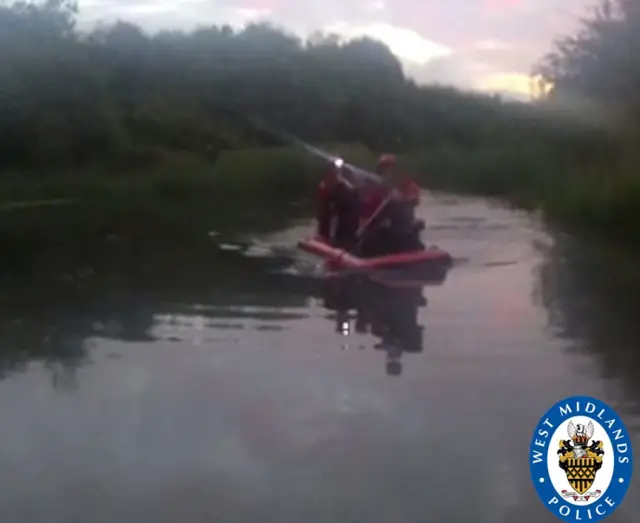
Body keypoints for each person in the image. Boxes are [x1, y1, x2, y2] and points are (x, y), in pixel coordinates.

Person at [359, 154, 423, 255]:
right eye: (385, 169)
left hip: (402, 227)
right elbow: (367, 209)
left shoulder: (406, 185)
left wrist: (400, 198)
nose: (388, 172)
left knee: (413, 229)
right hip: (381, 227)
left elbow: (414, 199)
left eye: (390, 168)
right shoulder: (375, 187)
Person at [316, 159, 361, 249]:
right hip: (330, 212)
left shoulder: (343, 183)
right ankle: (330, 241)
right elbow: (324, 201)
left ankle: (340, 241)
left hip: (341, 213)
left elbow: (352, 192)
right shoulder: (326, 184)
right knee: (329, 224)